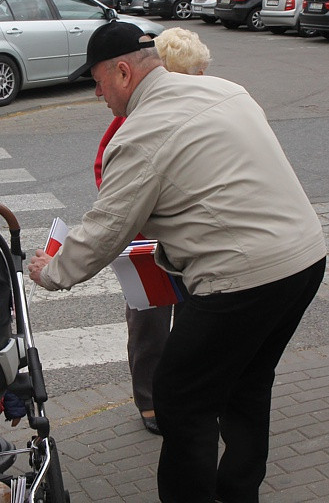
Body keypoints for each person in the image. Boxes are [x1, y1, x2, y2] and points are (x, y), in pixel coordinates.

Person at [28, 21, 327, 503]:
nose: (99, 96)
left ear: (123, 72)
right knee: (247, 382)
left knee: (179, 396)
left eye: (98, 83)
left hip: (242, 278)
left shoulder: (142, 132)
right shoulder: (225, 89)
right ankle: (238, 491)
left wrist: (52, 272)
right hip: (305, 259)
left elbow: (108, 226)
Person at [93, 27, 211, 436]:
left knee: (196, 317)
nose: (200, 80)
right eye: (193, 72)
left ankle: (190, 393)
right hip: (146, 242)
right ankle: (150, 400)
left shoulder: (197, 106)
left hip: (189, 241)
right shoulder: (135, 117)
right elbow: (105, 170)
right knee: (149, 324)